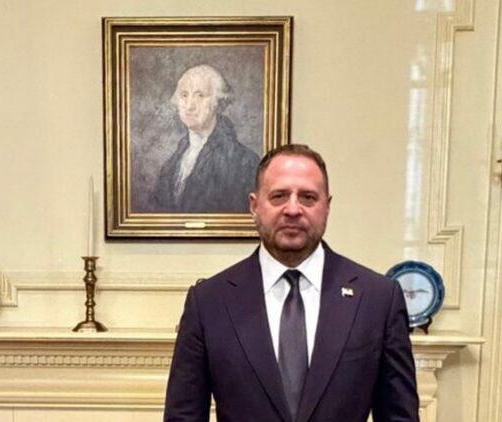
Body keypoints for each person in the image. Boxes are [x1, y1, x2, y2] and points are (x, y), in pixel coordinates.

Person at [164, 144, 419, 422]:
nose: (293, 209)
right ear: (254, 205)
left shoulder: (378, 299)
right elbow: (183, 416)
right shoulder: (208, 303)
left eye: (308, 197)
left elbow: (400, 416)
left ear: (327, 207)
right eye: (279, 196)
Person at [150, 64, 260, 213]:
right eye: (184, 95)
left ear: (217, 102)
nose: (189, 106)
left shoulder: (244, 161)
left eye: (200, 95)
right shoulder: (172, 164)